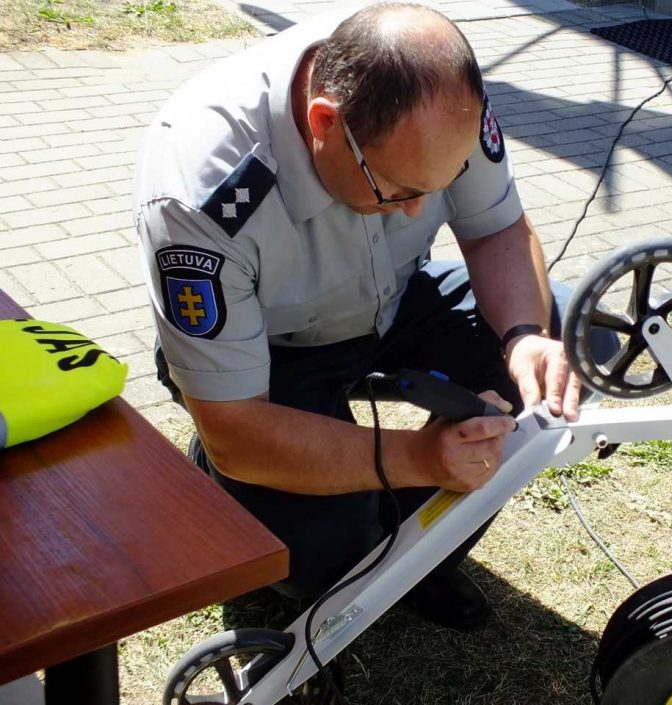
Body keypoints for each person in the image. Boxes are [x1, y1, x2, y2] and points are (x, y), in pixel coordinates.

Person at [134, 2, 591, 631]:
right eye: (399, 189)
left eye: (445, 181)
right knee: (323, 557)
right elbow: (238, 425)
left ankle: (415, 555)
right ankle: (255, 497)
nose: (418, 214)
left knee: (569, 347)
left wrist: (524, 338)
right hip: (271, 355)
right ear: (325, 122)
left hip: (395, 301)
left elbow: (495, 231)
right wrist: (417, 458)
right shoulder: (200, 193)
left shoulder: (442, 98)